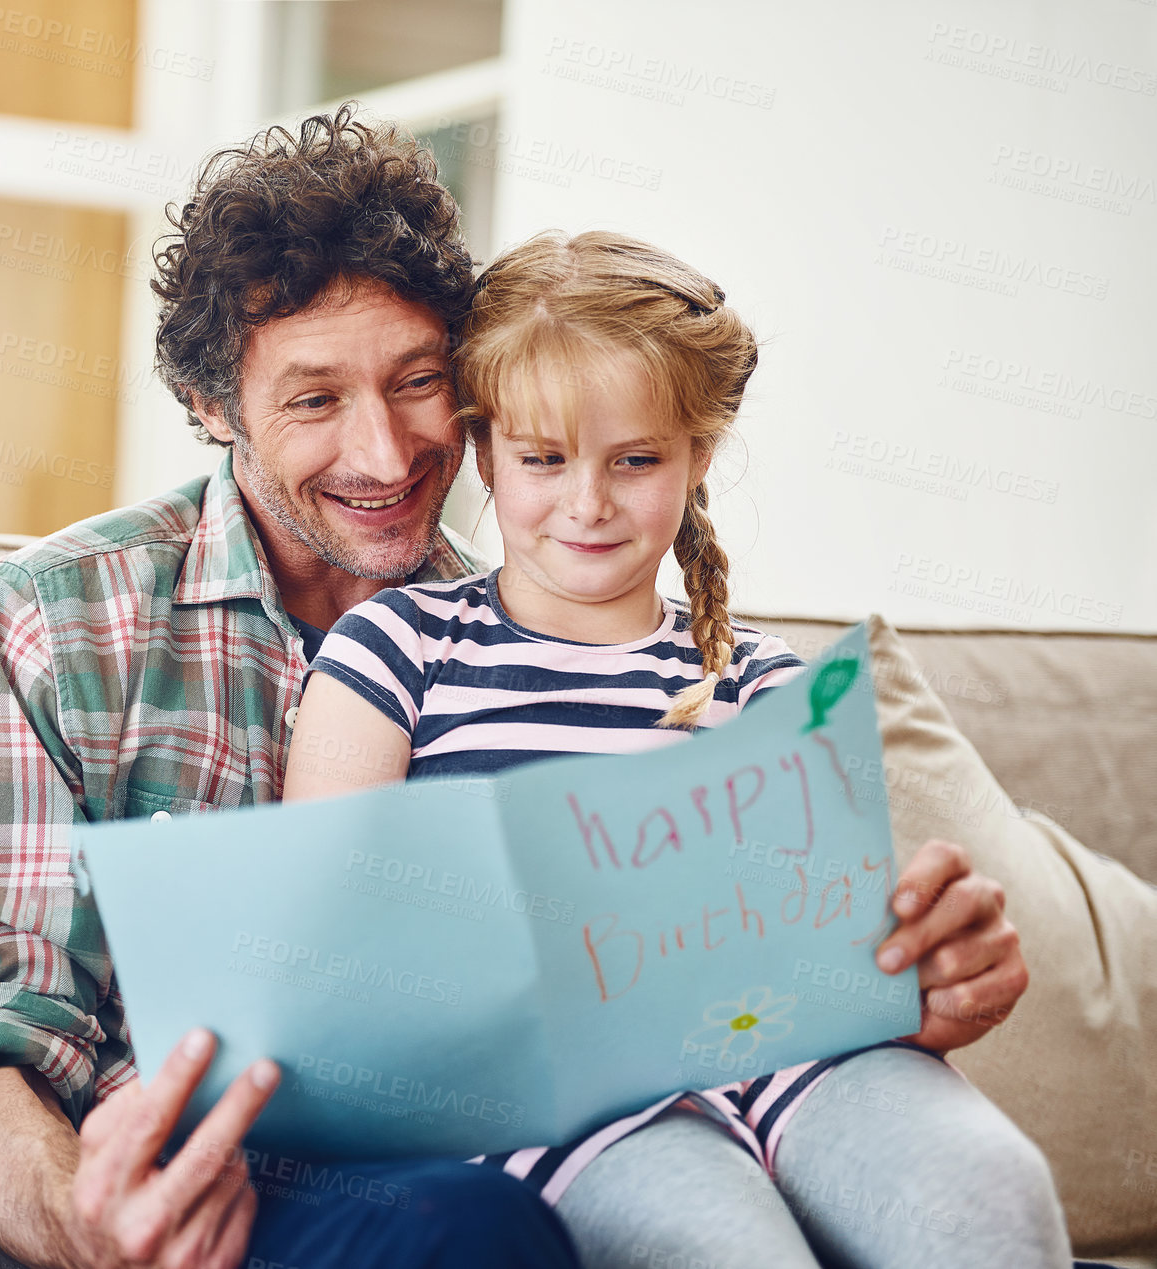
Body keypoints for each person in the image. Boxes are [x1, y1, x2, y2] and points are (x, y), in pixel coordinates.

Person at [282, 229, 1072, 1267]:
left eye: (636, 460)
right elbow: (326, 936)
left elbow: (824, 952)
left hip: (796, 1057)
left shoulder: (763, 681)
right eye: (542, 459)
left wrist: (909, 968)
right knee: (715, 1242)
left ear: (697, 455)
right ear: (483, 452)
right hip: (555, 1082)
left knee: (987, 1199)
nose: (587, 502)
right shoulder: (399, 647)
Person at [0, 107, 581, 1268]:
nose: (385, 454)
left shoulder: (538, 632)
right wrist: (84, 1218)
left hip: (501, 1158)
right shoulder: (53, 622)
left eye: (417, 383)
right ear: (213, 409)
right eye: (314, 402)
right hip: (227, 1205)